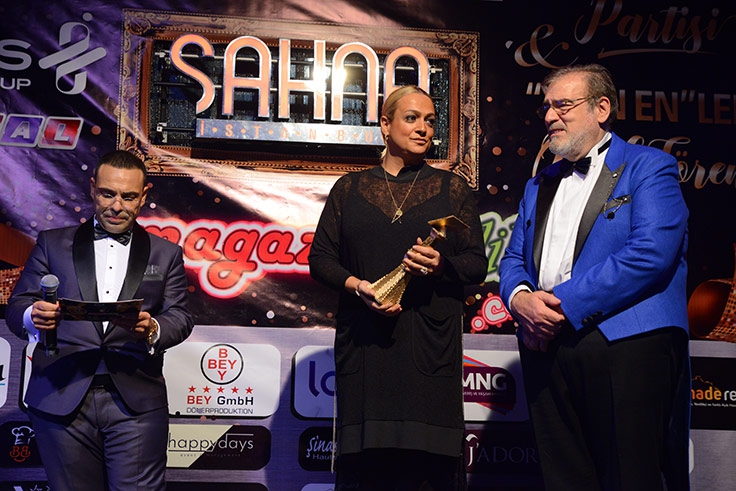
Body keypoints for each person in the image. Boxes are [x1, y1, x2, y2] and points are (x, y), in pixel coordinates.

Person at [499, 64, 691, 491]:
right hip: (546, 346)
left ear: (601, 108)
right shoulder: (538, 184)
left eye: (563, 105)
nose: (550, 116)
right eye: (546, 107)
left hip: (625, 344)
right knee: (564, 479)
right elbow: (512, 259)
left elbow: (651, 254)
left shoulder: (650, 166)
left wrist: (559, 306)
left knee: (631, 478)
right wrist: (521, 300)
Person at [308, 85, 488, 490]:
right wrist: (358, 286)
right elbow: (320, 260)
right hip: (366, 350)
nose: (424, 128)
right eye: (412, 118)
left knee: (428, 471)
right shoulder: (349, 190)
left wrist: (441, 266)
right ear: (385, 125)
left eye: (430, 121)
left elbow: (477, 264)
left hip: (428, 352)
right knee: (367, 472)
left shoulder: (451, 189)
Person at [6, 150, 194, 490]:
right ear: (93, 188)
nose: (117, 206)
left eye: (128, 196)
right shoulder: (52, 244)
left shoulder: (166, 254)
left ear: (144, 196)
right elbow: (17, 305)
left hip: (136, 403)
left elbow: (180, 315)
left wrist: (152, 328)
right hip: (59, 395)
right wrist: (33, 316)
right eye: (108, 193)